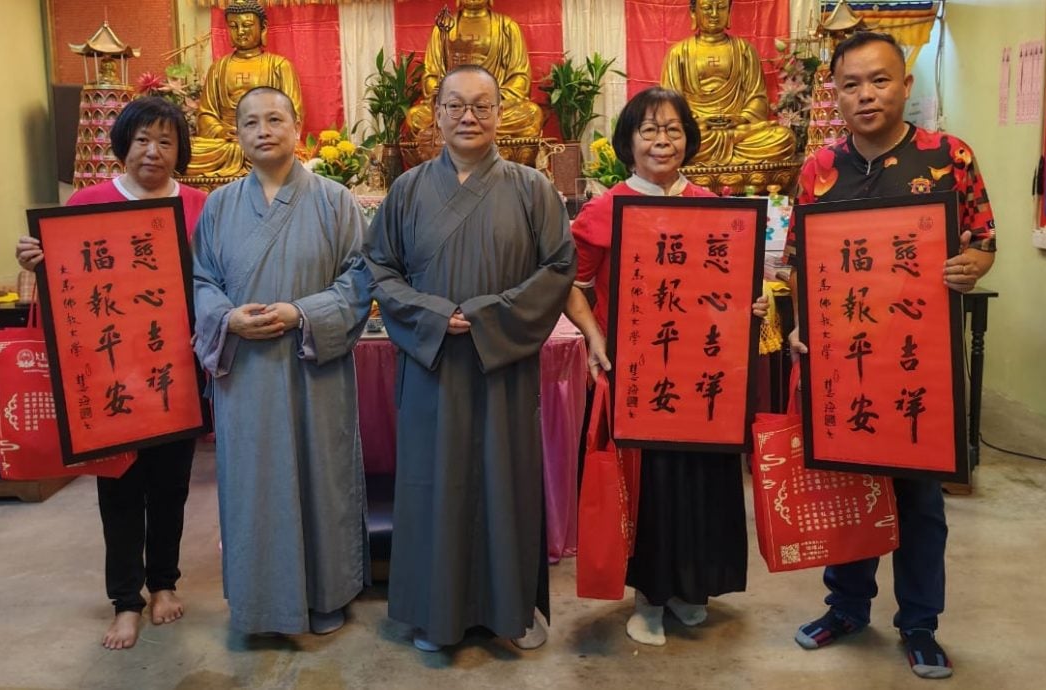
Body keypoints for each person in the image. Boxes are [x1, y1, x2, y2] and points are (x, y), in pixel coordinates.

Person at [785, 31, 996, 680]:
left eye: (878, 80)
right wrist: (798, 326)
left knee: (917, 502)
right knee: (848, 490)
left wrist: (969, 265)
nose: (865, 95)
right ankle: (846, 607)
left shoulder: (947, 156)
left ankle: (919, 624)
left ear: (905, 86)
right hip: (845, 362)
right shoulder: (819, 169)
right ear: (835, 95)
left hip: (916, 364)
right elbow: (800, 258)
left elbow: (983, 241)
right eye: (850, 85)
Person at [365, 65, 574, 652]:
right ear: (436, 115)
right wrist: (430, 315)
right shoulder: (407, 191)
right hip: (431, 365)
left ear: (501, 115)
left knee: (503, 483)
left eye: (482, 106)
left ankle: (509, 611)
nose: (468, 117)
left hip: (501, 364)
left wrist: (488, 317)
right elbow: (379, 267)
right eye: (455, 106)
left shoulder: (532, 188)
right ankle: (437, 615)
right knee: (434, 485)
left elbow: (559, 267)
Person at [564, 86, 767, 646]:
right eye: (649, 130)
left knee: (699, 483)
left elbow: (727, 287)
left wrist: (749, 301)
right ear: (628, 141)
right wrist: (595, 338)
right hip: (636, 376)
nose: (662, 140)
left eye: (673, 130)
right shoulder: (604, 210)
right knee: (649, 487)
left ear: (689, 140)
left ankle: (689, 588)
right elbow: (572, 286)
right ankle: (649, 597)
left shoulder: (711, 204)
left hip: (701, 374)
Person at [15, 96, 206, 651]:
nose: (153, 151)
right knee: (119, 487)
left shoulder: (201, 205)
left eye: (166, 141)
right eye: (143, 139)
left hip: (176, 370)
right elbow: (67, 288)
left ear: (181, 151)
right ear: (122, 143)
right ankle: (126, 600)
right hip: (108, 377)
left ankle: (164, 583)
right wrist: (36, 260)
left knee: (171, 486)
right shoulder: (89, 201)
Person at [191, 86, 372, 635]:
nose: (264, 130)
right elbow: (202, 280)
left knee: (322, 476)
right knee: (254, 484)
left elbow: (360, 278)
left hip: (312, 363)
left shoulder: (336, 200)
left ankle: (326, 594)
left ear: (298, 126)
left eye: (275, 119)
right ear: (237, 135)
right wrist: (227, 319)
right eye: (251, 122)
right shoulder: (219, 204)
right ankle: (260, 604)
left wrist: (303, 312)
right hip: (246, 371)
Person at [659, 0, 795, 165]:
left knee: (783, 138)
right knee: (676, 142)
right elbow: (670, 104)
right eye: (707, 8)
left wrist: (741, 119)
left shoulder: (744, 50)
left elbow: (758, 98)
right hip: (699, 132)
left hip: (738, 131)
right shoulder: (678, 53)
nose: (715, 14)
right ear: (693, 12)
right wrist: (695, 121)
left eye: (721, 7)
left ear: (729, 11)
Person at [186, 0, 303, 177]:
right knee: (189, 151)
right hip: (227, 143)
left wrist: (264, 130)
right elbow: (205, 114)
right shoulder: (218, 68)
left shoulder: (280, 65)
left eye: (247, 25)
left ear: (262, 27)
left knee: (293, 153)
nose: (240, 31)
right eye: (233, 26)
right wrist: (221, 131)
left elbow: (294, 112)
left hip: (267, 138)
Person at [405, 0, 543, 139]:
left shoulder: (507, 27)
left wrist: (489, 97)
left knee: (532, 114)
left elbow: (520, 78)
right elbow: (432, 76)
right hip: (454, 106)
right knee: (416, 117)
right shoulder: (443, 28)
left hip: (491, 105)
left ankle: (463, 135)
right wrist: (451, 96)